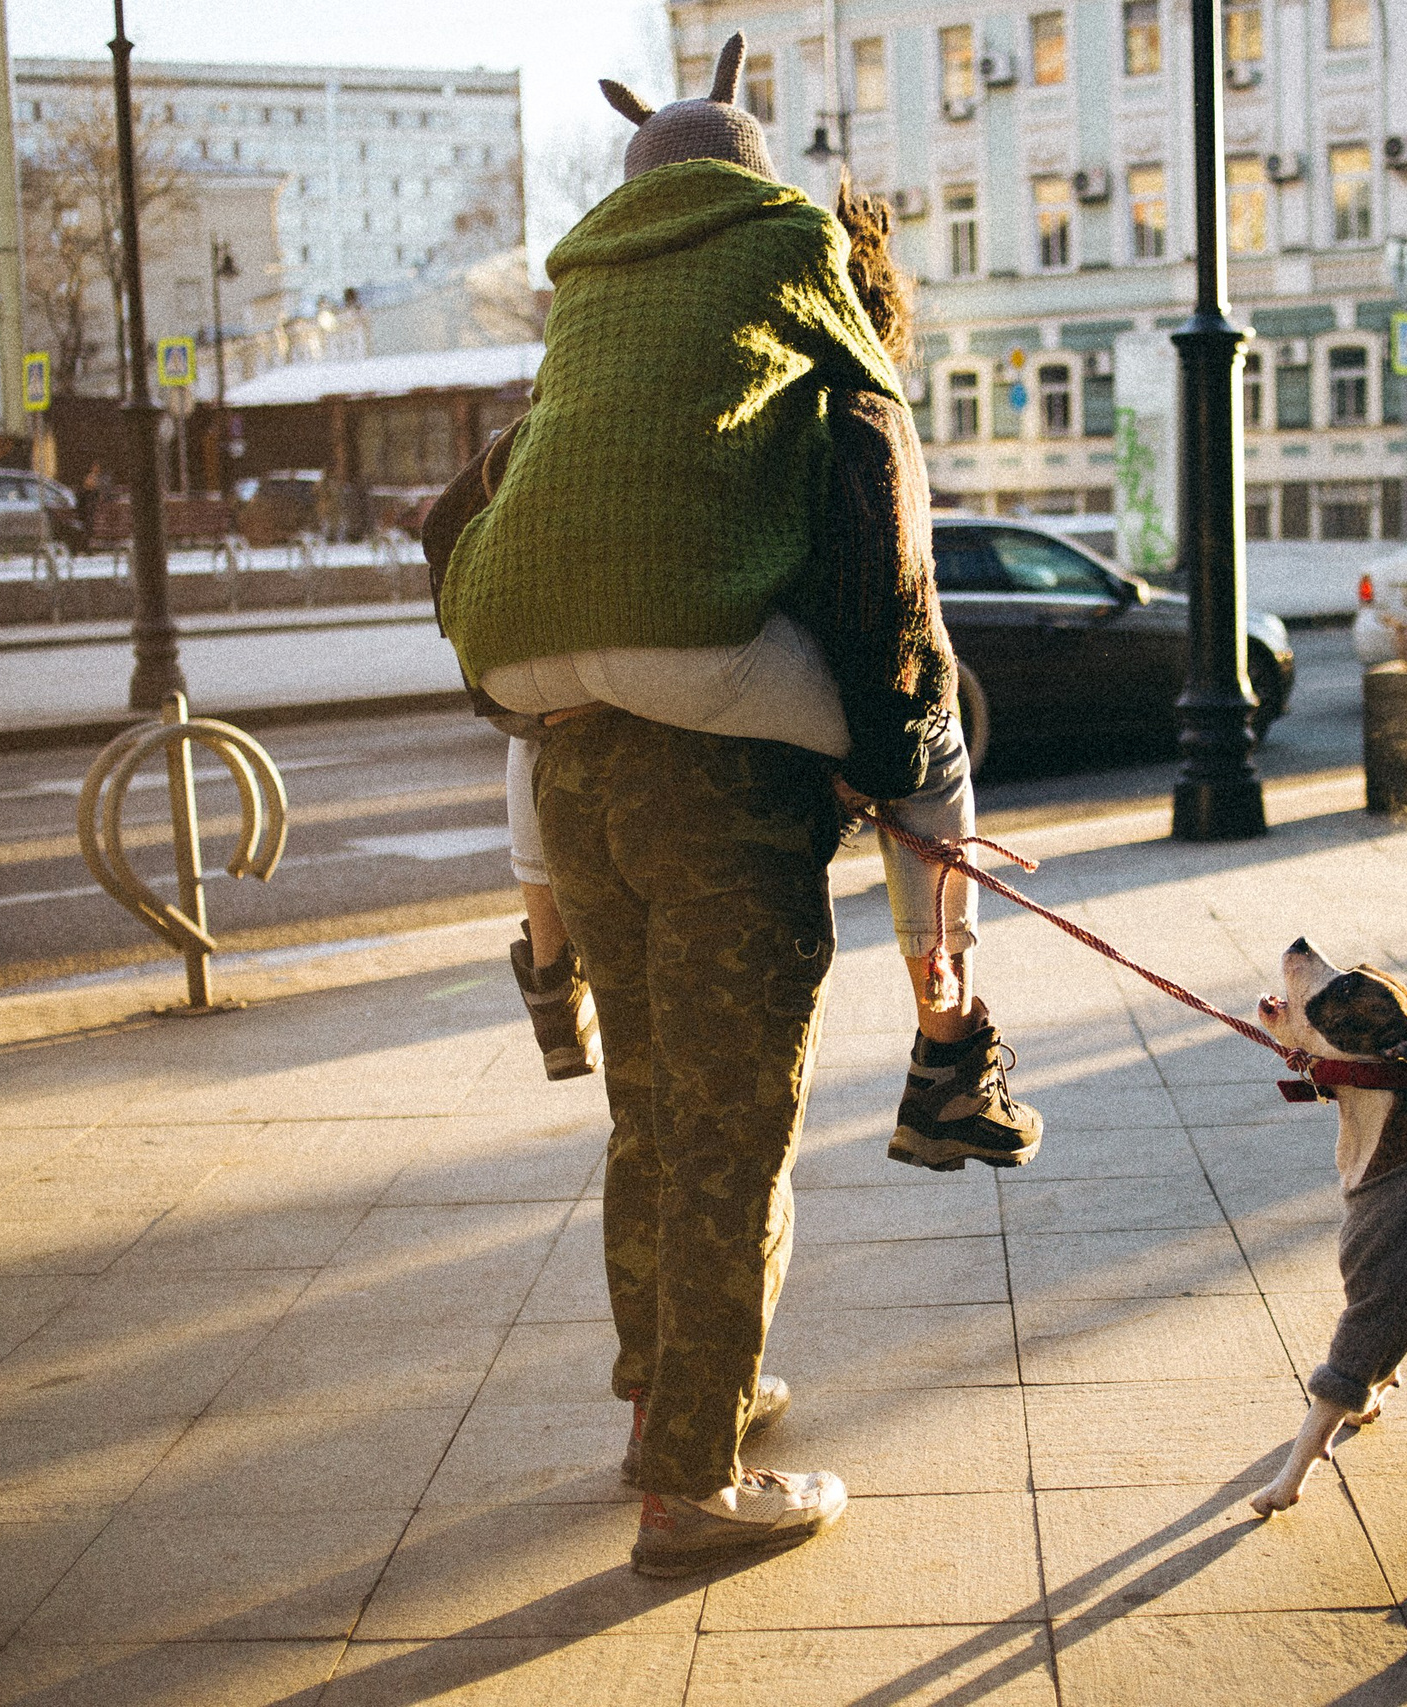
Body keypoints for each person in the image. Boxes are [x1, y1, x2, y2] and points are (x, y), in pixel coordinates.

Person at [433, 36, 979, 1577]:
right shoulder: (812, 379)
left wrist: (535, 889)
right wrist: (939, 933)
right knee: (735, 1131)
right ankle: (691, 1480)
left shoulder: (583, 399)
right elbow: (901, 628)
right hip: (723, 790)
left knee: (652, 1110)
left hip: (583, 764)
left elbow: (452, 534)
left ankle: (669, 1393)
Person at [491, 180, 1043, 1172]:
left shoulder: (630, 379)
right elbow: (892, 615)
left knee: (537, 717)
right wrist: (881, 758)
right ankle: (949, 1049)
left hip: (554, 692)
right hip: (704, 673)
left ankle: (546, 965)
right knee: (935, 727)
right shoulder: (840, 393)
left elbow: (468, 509)